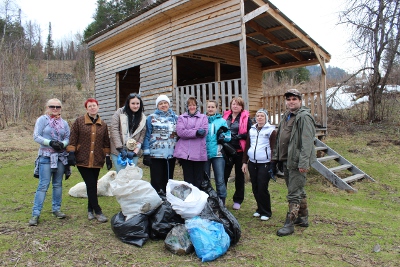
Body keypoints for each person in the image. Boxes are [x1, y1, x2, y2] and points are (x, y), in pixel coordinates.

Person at [273, 89, 316, 237]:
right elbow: (280, 138)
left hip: (297, 161)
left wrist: (304, 163)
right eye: (289, 99)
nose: (291, 101)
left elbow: (308, 142)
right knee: (298, 190)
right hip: (286, 160)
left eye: (294, 99)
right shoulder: (287, 116)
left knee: (293, 193)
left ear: (300, 101)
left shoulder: (304, 117)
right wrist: (277, 157)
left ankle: (289, 224)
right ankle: (302, 218)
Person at [67, 98, 112, 223]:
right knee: (91, 184)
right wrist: (71, 152)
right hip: (82, 159)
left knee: (91, 185)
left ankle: (89, 210)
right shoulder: (79, 122)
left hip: (97, 159)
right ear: (86, 108)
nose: (92, 108)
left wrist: (107, 157)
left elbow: (105, 142)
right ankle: (98, 211)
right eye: (90, 106)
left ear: (98, 107)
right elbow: (73, 137)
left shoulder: (103, 125)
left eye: (94, 105)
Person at [29, 98, 70, 226]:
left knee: (57, 184)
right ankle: (35, 214)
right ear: (48, 107)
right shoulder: (42, 120)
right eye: (52, 106)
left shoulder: (64, 123)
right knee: (43, 185)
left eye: (58, 107)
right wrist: (50, 142)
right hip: (46, 156)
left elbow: (68, 137)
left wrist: (62, 144)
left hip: (60, 156)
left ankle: (56, 209)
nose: (55, 109)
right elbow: (36, 136)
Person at [242, 109, 276, 221]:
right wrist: (244, 162)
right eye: (257, 116)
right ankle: (259, 209)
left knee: (262, 187)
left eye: (262, 116)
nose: (259, 117)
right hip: (252, 162)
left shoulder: (271, 130)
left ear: (266, 118)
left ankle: (266, 211)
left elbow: (273, 148)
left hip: (264, 163)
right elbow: (247, 146)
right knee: (255, 186)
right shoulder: (252, 130)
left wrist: (272, 163)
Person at [142, 95, 178, 194]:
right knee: (156, 180)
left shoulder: (175, 118)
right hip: (155, 154)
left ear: (168, 104)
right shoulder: (151, 118)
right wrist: (146, 153)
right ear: (157, 106)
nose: (163, 105)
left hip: (170, 154)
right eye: (160, 103)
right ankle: (156, 201)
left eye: (165, 103)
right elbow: (146, 136)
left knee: (168, 180)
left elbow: (179, 135)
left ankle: (167, 201)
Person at [222, 97, 252, 210]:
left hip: (240, 151)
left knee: (239, 177)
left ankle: (238, 200)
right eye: (233, 104)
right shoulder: (225, 117)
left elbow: (250, 134)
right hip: (227, 150)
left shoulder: (246, 118)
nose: (235, 106)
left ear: (241, 107)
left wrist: (242, 136)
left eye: (238, 105)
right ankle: (222, 198)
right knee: (223, 176)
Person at [174, 96, 209, 189]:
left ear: (197, 106)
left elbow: (204, 131)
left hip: (199, 152)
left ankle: (197, 200)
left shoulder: (203, 117)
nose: (192, 107)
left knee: (198, 178)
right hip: (186, 153)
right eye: (189, 105)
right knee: (188, 178)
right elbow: (180, 132)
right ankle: (189, 200)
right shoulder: (182, 117)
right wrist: (196, 132)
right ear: (187, 106)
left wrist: (188, 131)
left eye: (194, 105)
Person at [110, 93, 146, 171]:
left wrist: (135, 151)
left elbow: (142, 136)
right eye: (133, 103)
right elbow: (114, 130)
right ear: (128, 103)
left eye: (137, 103)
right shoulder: (119, 113)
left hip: (133, 152)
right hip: (118, 151)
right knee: (121, 175)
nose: (135, 106)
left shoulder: (142, 117)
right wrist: (121, 149)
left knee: (131, 176)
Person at [204, 100, 231, 205]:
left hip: (218, 154)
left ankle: (221, 203)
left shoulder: (222, 121)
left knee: (219, 180)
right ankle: (207, 202)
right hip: (204, 154)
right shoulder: (202, 120)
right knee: (205, 179)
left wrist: (223, 136)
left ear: (216, 108)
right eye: (209, 107)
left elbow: (229, 136)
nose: (210, 109)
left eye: (212, 107)